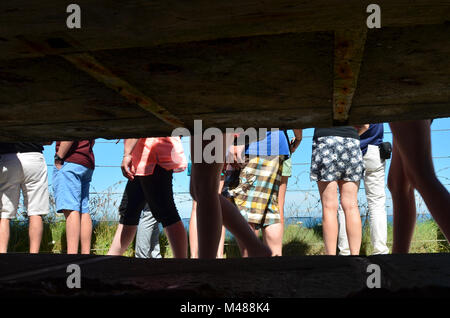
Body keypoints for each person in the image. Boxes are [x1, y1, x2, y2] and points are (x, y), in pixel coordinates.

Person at [189, 132, 271, 259]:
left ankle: (206, 263)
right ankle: (255, 247)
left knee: (205, 187)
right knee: (197, 189)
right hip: (204, 120)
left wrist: (235, 142)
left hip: (210, 119)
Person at [108, 137, 188, 258]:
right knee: (129, 210)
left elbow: (137, 125)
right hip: (143, 158)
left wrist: (127, 154)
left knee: (166, 212)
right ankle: (111, 258)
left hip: (151, 156)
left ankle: (182, 264)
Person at [388, 119, 450, 253]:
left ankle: (399, 259)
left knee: (421, 174)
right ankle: (399, 260)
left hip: (401, 100)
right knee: (398, 182)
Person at [228, 129, 292, 256]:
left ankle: (251, 263)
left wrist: (237, 142)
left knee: (246, 212)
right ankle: (275, 263)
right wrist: (298, 138)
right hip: (276, 145)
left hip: (255, 146)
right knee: (270, 212)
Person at [310, 125, 368, 255]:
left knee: (329, 207)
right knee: (352, 206)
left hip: (325, 140)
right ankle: (355, 256)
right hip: (351, 141)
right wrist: (352, 133)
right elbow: (366, 125)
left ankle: (331, 259)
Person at [337, 124, 390, 255]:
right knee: (377, 204)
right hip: (374, 151)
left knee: (346, 204)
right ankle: (380, 250)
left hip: (350, 148)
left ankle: (345, 250)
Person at [0, 142, 50, 253]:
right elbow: (49, 141)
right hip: (34, 156)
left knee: (4, 213)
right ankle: (33, 256)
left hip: (8, 156)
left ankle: (1, 254)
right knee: (36, 212)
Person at [53, 140, 95, 254]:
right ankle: (86, 254)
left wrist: (59, 156)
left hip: (70, 160)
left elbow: (70, 134)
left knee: (71, 209)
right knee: (84, 210)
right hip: (87, 161)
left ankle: (72, 256)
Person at [188, 162, 227, 258]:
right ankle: (219, 255)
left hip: (198, 153)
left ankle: (194, 256)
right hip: (215, 153)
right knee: (217, 201)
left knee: (196, 204)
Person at [278, 129, 303, 245]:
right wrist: (298, 140)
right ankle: (276, 250)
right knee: (279, 206)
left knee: (255, 205)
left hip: (257, 148)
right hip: (282, 149)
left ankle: (254, 252)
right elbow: (296, 126)